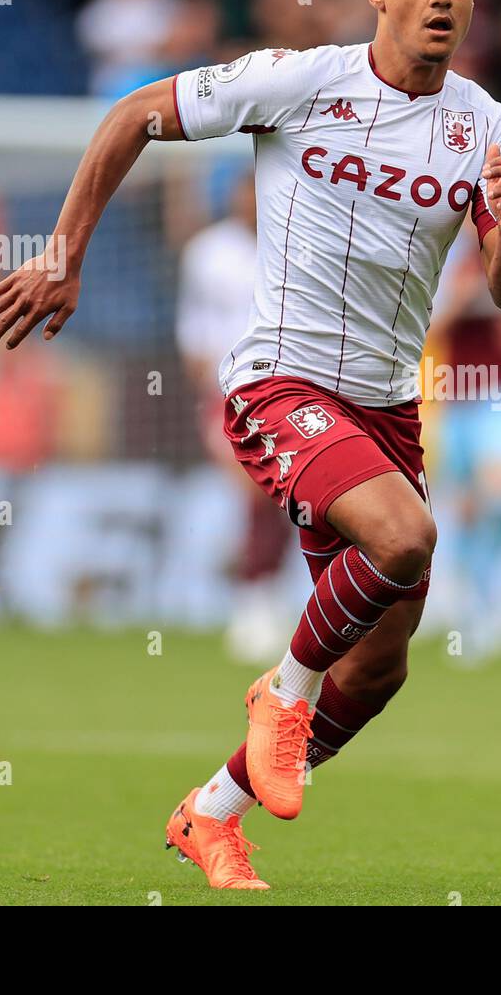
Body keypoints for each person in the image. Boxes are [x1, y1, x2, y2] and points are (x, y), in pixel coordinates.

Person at [0, 0, 501, 889]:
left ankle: (210, 811)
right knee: (408, 538)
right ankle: (281, 694)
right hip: (278, 378)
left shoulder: (485, 125)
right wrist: (63, 257)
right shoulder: (298, 81)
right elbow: (131, 116)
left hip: (383, 406)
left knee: (380, 669)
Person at [176, 174, 290, 658]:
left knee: (281, 499)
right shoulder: (207, 252)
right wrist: (201, 378)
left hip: (284, 395)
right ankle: (251, 600)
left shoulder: (294, 241)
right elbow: (193, 324)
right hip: (226, 397)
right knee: (255, 491)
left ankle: (259, 596)